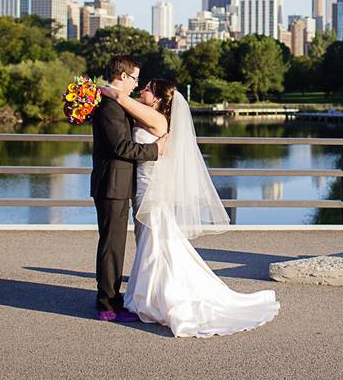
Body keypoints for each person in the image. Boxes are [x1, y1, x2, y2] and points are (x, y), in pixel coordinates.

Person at [99, 78, 279, 337]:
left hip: (152, 191)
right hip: (141, 189)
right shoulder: (150, 115)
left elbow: (120, 99)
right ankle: (149, 294)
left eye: (148, 88)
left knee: (156, 244)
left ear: (159, 98)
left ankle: (158, 298)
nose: (142, 89)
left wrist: (101, 90)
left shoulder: (158, 119)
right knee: (151, 243)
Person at [91, 55, 166, 322]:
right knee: (112, 246)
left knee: (115, 245)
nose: (136, 84)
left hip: (119, 184)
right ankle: (107, 305)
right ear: (122, 76)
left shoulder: (116, 103)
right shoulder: (110, 107)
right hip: (112, 184)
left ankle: (113, 298)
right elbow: (121, 147)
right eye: (134, 78)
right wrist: (155, 150)